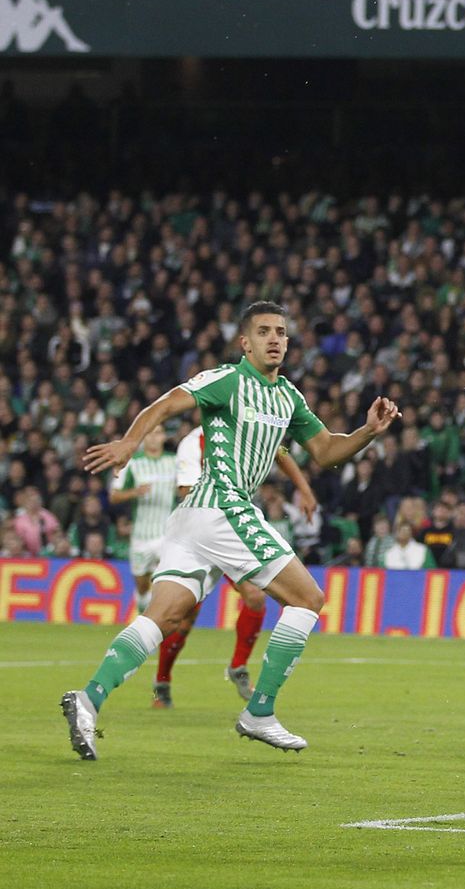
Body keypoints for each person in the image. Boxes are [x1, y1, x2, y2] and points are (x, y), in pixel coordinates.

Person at [63, 301, 401, 759]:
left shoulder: (289, 398)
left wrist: (367, 431)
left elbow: (324, 451)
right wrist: (130, 441)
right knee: (308, 599)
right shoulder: (227, 379)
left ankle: (87, 700)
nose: (275, 339)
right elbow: (166, 404)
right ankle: (259, 711)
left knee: (161, 618)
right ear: (246, 342)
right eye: (264, 331)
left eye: (281, 331)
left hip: (195, 518)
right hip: (222, 505)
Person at [148, 418, 319, 708]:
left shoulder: (246, 430)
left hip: (233, 529)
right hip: (200, 532)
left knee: (255, 597)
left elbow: (280, 451)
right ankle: (162, 681)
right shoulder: (193, 442)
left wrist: (304, 488)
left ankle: (238, 666)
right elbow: (185, 491)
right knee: (182, 617)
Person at [107, 431, 177, 615]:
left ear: (164, 437)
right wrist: (135, 492)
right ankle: (142, 616)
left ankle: (156, 626)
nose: (154, 437)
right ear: (144, 438)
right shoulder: (133, 463)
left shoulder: (175, 462)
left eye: (159, 433)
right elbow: (114, 496)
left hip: (166, 535)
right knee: (142, 586)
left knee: (164, 584)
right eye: (150, 434)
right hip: (140, 536)